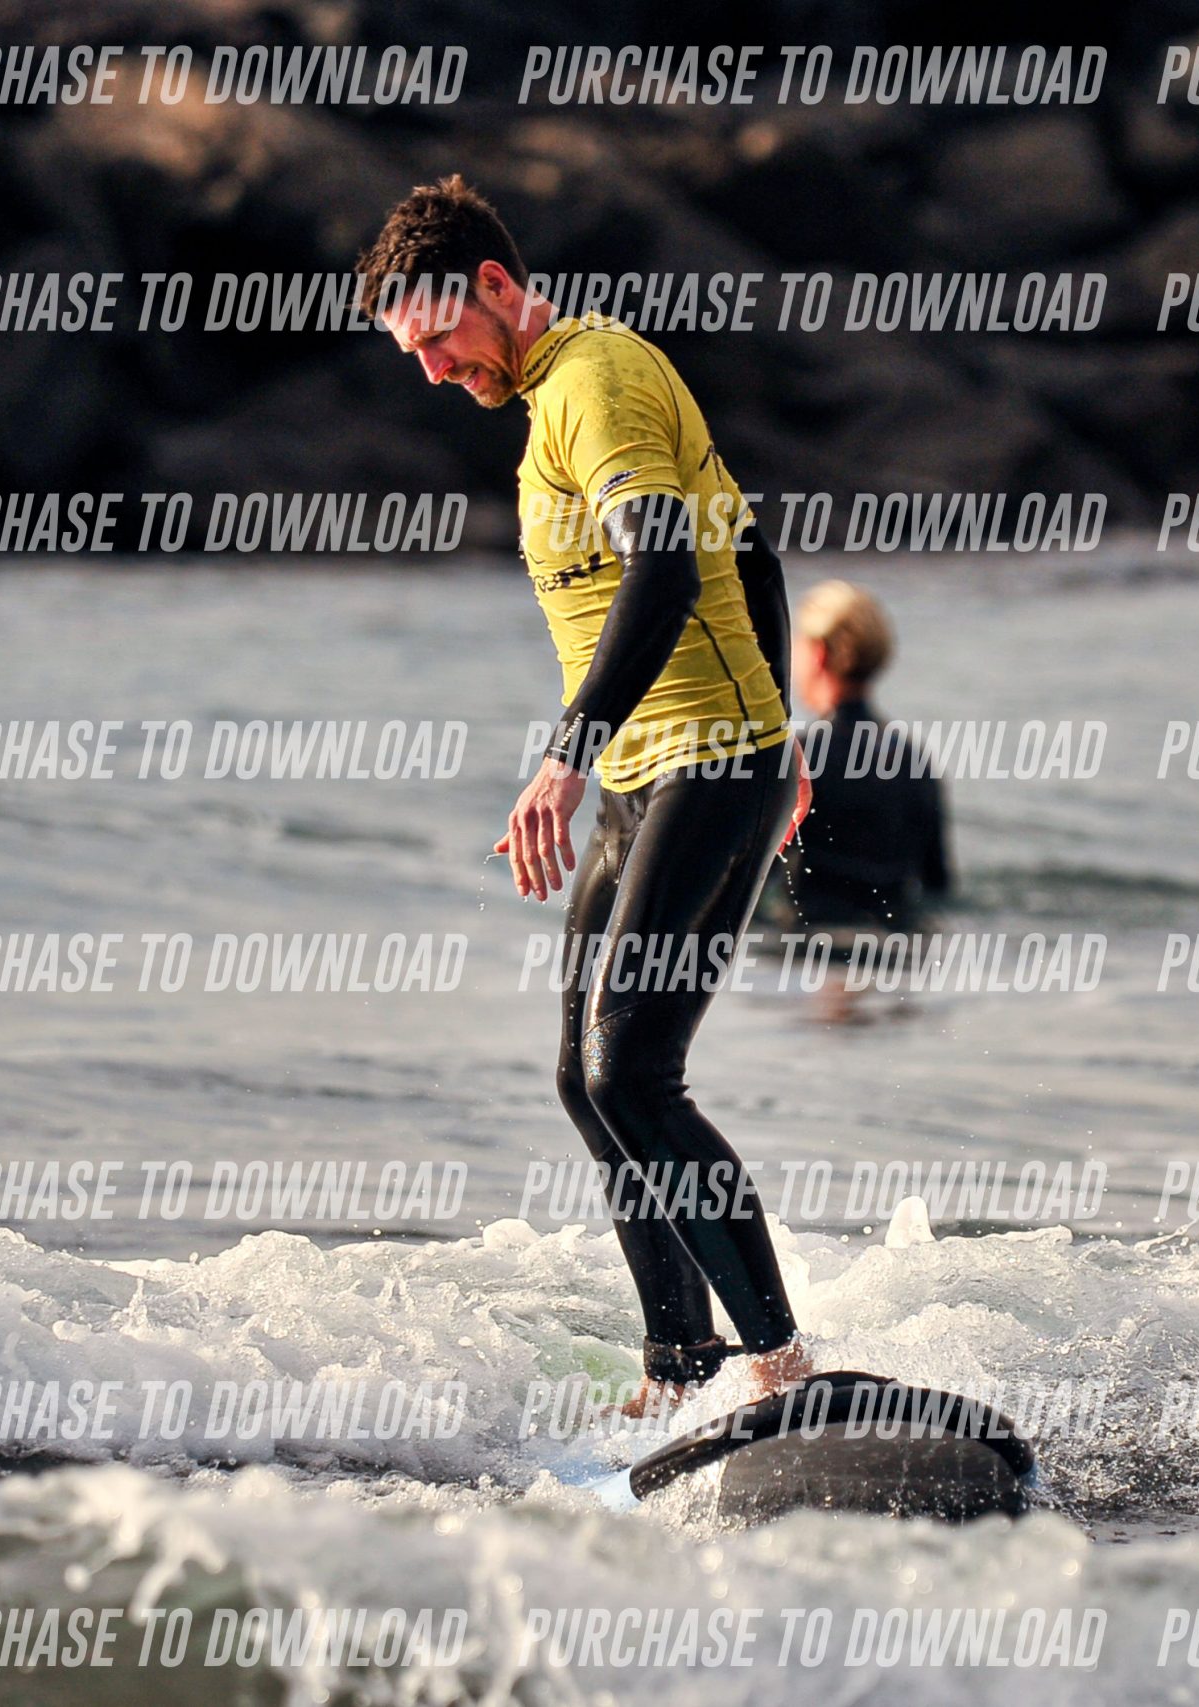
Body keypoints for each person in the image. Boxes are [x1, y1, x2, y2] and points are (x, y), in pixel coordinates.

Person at [356, 174, 814, 1413]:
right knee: (584, 1076)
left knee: (633, 1075)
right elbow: (748, 547)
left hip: (708, 759)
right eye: (412, 356)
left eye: (438, 339)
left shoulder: (593, 381)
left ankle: (782, 1370)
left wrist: (568, 757)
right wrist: (786, 733)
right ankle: (678, 1371)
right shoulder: (553, 397)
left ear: (493, 287)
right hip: (651, 774)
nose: (433, 372)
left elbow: (671, 565)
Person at [777, 581, 953, 932]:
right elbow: (937, 883)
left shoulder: (798, 759)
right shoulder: (912, 760)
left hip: (804, 943)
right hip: (894, 944)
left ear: (818, 654)